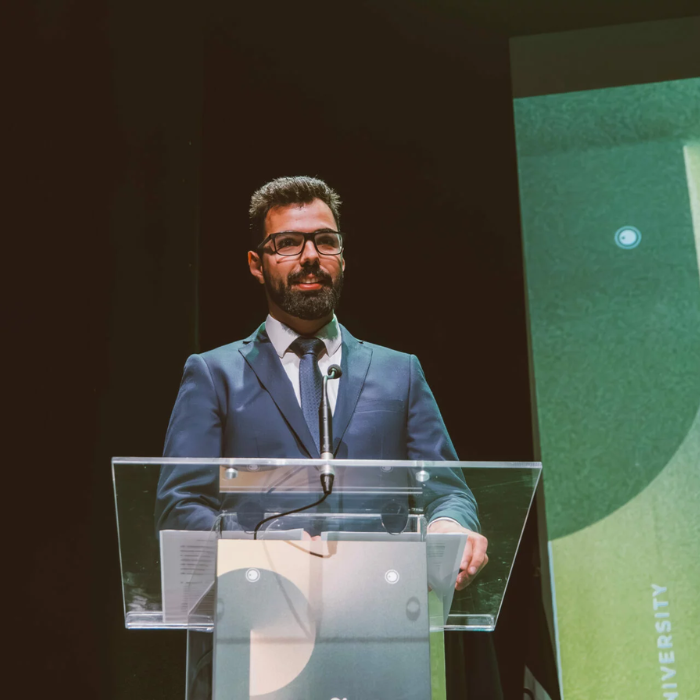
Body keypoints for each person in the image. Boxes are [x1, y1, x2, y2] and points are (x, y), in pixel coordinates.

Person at [156, 175, 488, 588]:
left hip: (381, 602)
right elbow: (181, 506)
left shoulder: (399, 372)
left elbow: (448, 491)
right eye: (288, 243)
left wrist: (449, 524)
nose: (311, 256)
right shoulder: (213, 374)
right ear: (256, 265)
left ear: (343, 258)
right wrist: (269, 550)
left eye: (326, 241)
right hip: (257, 605)